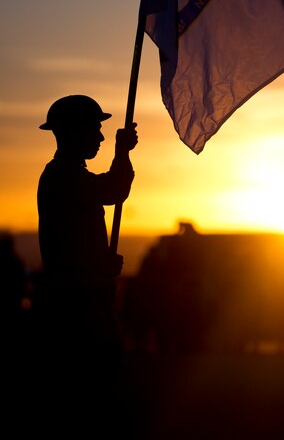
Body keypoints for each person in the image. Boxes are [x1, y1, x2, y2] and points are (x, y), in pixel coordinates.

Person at [36, 94, 138, 434]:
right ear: (72, 132)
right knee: (86, 399)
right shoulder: (63, 177)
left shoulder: (65, 176)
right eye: (94, 129)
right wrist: (122, 154)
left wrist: (100, 265)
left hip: (81, 300)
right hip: (77, 307)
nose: (100, 137)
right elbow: (112, 190)